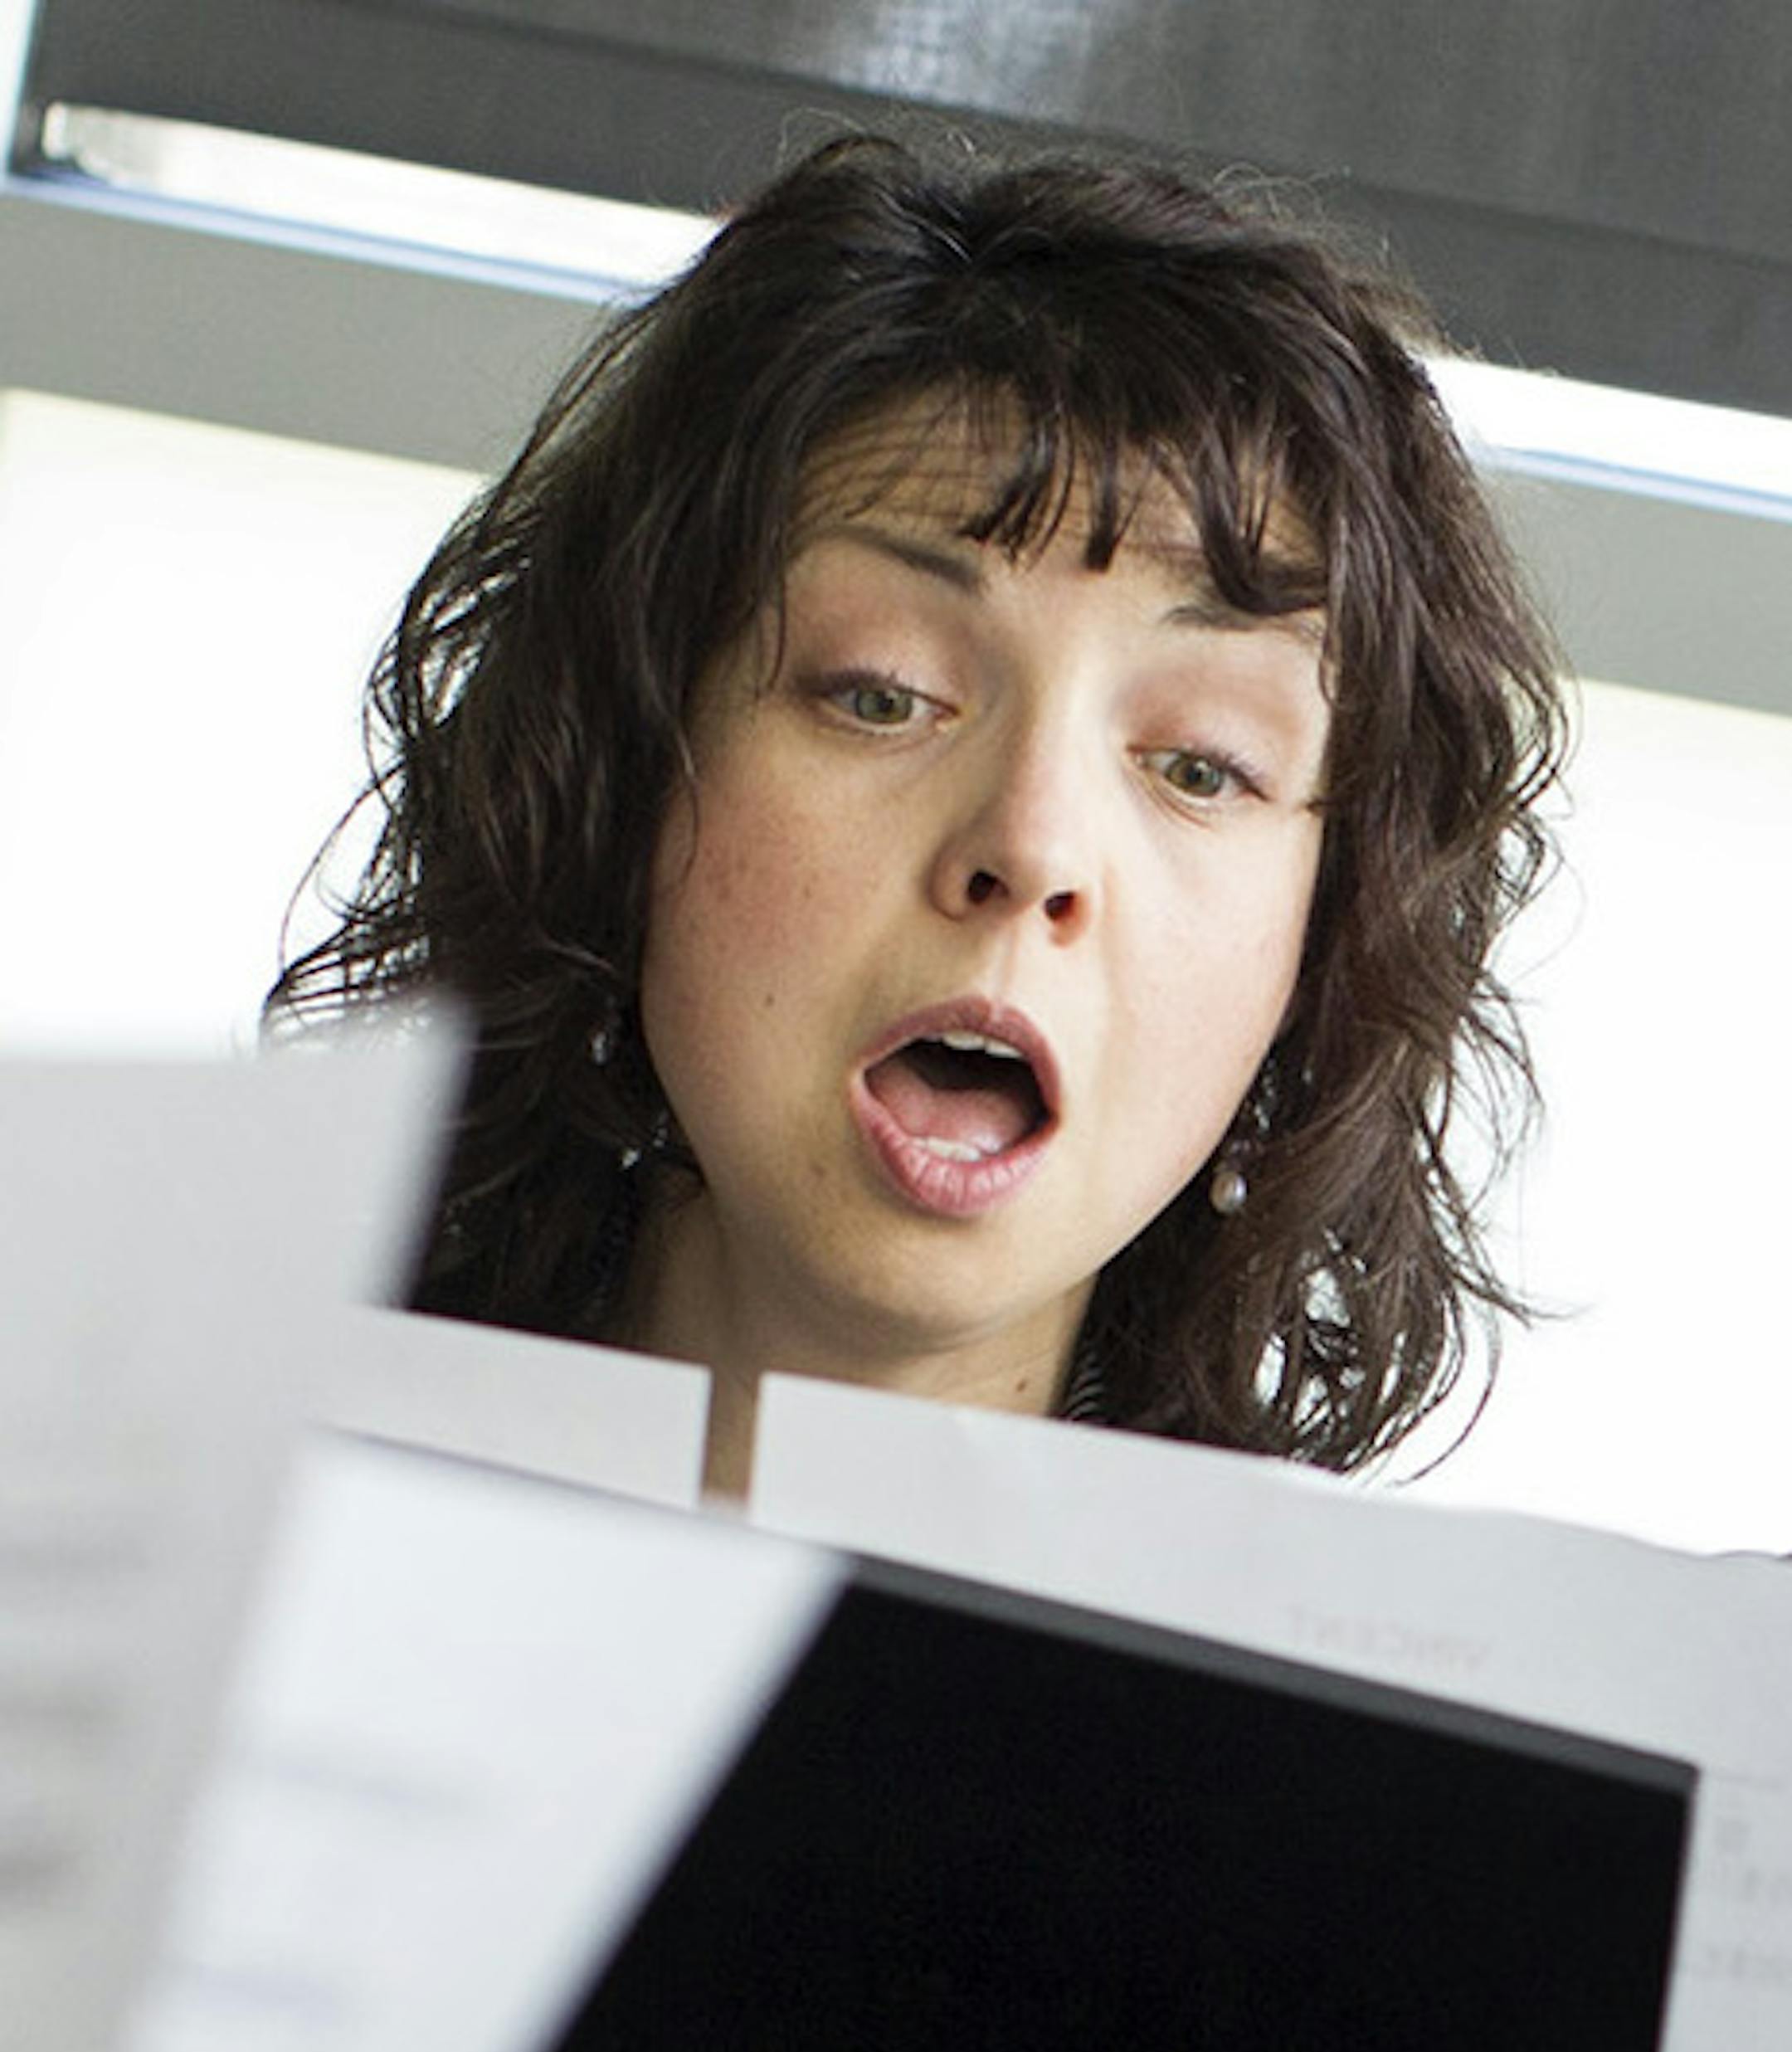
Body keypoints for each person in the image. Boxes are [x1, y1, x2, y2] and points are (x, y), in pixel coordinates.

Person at [266, 134, 1563, 1499]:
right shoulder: (157, 1492)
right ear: (624, 774)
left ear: (1324, 950)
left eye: (1200, 765)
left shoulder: (1345, 1700)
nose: (1033, 848)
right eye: (884, 693)